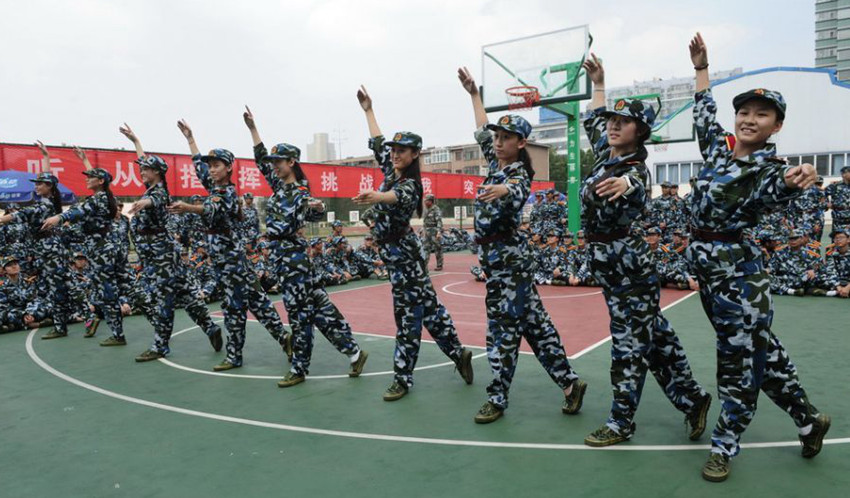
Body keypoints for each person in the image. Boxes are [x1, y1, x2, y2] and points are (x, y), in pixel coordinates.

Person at [686, 33, 829, 482]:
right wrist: (701, 70)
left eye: (761, 114)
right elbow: (704, 115)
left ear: (777, 125)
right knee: (764, 359)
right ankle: (808, 420)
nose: (750, 119)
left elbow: (780, 186)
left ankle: (725, 447)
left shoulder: (766, 171)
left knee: (737, 365)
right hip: (712, 279)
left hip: (740, 285)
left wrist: (797, 177)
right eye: (744, 112)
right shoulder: (718, 152)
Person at [578, 53, 710, 447]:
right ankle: (693, 398)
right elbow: (594, 118)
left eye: (624, 122)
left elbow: (635, 184)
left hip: (628, 269)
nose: (614, 126)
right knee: (655, 339)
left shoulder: (634, 169)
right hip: (611, 266)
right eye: (612, 122)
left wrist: (625, 186)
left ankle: (621, 423)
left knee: (628, 344)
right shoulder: (607, 154)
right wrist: (600, 81)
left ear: (641, 132)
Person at [457, 67, 587, 423]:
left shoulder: (517, 173)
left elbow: (515, 191)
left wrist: (503, 190)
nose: (498, 141)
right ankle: (569, 383)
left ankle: (497, 398)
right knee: (537, 327)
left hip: (509, 265)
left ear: (521, 143)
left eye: (507, 137)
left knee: (501, 331)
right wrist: (474, 95)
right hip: (504, 263)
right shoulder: (495, 160)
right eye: (498, 136)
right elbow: (483, 127)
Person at [354, 85, 473, 401]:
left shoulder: (411, 185)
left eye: (402, 150)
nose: (395, 154)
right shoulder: (391, 170)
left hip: (405, 256)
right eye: (394, 150)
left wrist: (377, 196)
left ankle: (402, 378)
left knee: (407, 316)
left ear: (415, 154)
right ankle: (459, 353)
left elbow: (395, 197)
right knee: (430, 311)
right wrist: (368, 110)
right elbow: (379, 142)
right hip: (396, 256)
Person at [243, 107, 368, 387]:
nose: (274, 166)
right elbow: (261, 160)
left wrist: (318, 206)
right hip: (285, 259)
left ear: (292, 161)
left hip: (294, 261)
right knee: (320, 310)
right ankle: (355, 352)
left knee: (300, 315)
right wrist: (253, 129)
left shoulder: (299, 193)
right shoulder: (278, 187)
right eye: (274, 162)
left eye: (280, 162)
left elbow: (315, 210)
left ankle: (300, 368)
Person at [170, 119, 287, 371]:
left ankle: (234, 356)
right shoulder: (214, 186)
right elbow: (197, 166)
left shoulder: (227, 193)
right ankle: (286, 339)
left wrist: (187, 206)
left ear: (228, 168)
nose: (211, 170)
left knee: (233, 308)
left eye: (217, 166)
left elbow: (209, 208)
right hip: (230, 262)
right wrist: (191, 139)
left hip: (231, 263)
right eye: (210, 166)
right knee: (258, 302)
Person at [118, 124, 224, 362]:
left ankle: (160, 345)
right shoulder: (151, 187)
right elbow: (144, 162)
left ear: (156, 172)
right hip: (166, 255)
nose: (142, 172)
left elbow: (154, 201)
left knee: (163, 298)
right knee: (185, 295)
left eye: (146, 170)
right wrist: (136, 141)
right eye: (142, 169)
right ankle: (210, 327)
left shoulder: (159, 192)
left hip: (162, 257)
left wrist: (140, 205)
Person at [41, 145, 127, 345]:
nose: (86, 179)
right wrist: (84, 159)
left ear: (100, 181)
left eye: (91, 177)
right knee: (104, 290)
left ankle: (118, 335)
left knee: (109, 292)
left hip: (102, 252)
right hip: (100, 249)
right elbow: (99, 181)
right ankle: (98, 318)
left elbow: (79, 211)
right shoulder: (104, 195)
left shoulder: (99, 199)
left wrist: (59, 218)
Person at [422, 194, 444, 271]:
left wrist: (439, 232)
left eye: (426, 201)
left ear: (431, 201)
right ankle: (424, 265)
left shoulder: (436, 209)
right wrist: (423, 231)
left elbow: (439, 222)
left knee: (437, 248)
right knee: (425, 248)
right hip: (427, 232)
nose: (425, 202)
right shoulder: (426, 209)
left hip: (434, 231)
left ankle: (439, 265)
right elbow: (424, 222)